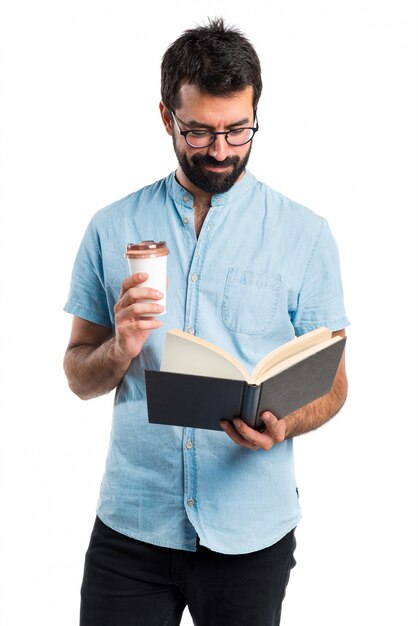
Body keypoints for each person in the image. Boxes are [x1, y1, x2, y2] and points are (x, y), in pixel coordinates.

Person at [64, 17, 349, 626]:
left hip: (251, 531)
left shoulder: (305, 234)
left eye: (238, 130)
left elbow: (336, 382)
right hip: (132, 526)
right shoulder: (109, 227)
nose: (221, 149)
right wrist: (119, 348)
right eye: (199, 131)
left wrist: (283, 424)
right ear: (168, 118)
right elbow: (78, 376)